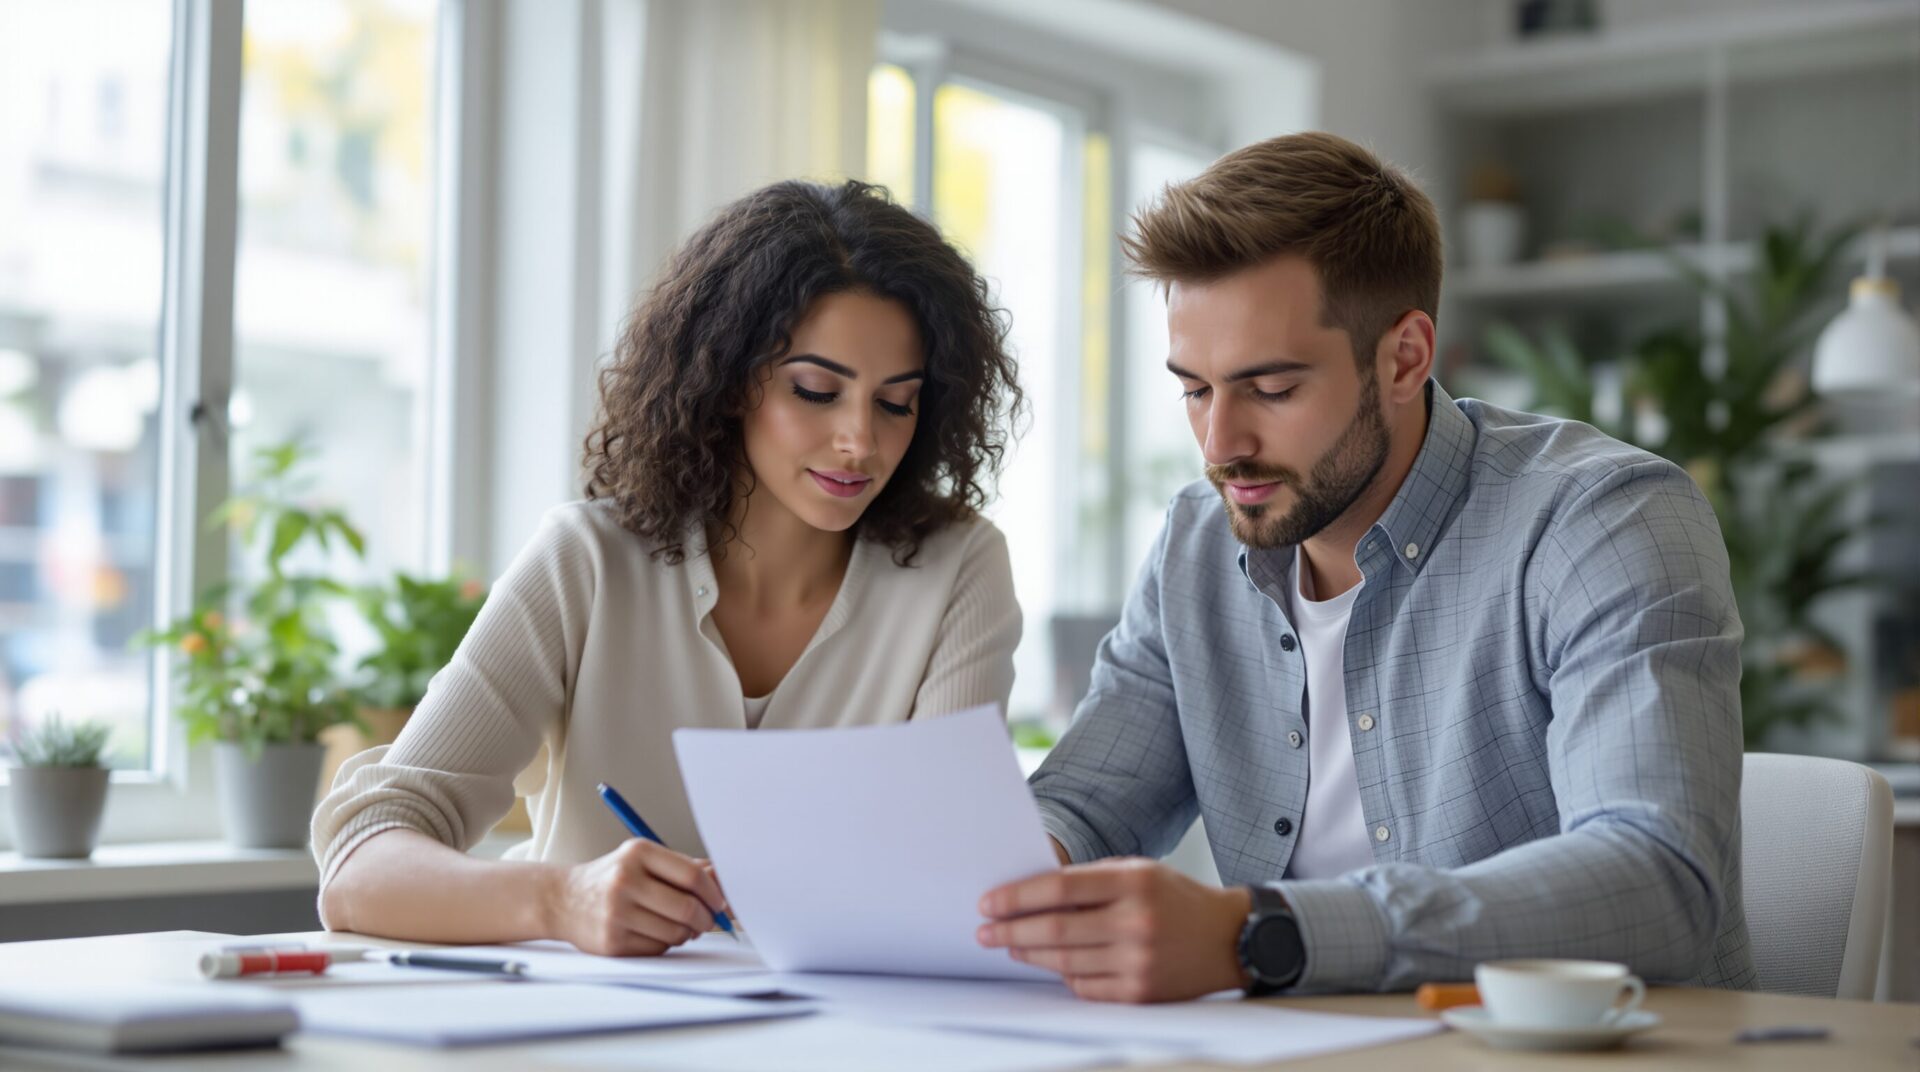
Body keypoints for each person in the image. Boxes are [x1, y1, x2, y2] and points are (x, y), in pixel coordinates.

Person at [976, 132, 1754, 1002]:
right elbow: (1086, 804)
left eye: (1271, 389)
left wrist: (1258, 936)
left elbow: (1657, 881)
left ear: (1405, 358)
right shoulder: (1197, 546)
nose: (1220, 443)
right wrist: (1005, 880)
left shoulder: (1603, 522)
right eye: (1195, 389)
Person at [314, 179, 1024, 956]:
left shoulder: (959, 566)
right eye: (817, 391)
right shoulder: (587, 561)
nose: (861, 441)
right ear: (730, 381)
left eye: (896, 403)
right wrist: (561, 898)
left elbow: (958, 866)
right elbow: (361, 869)